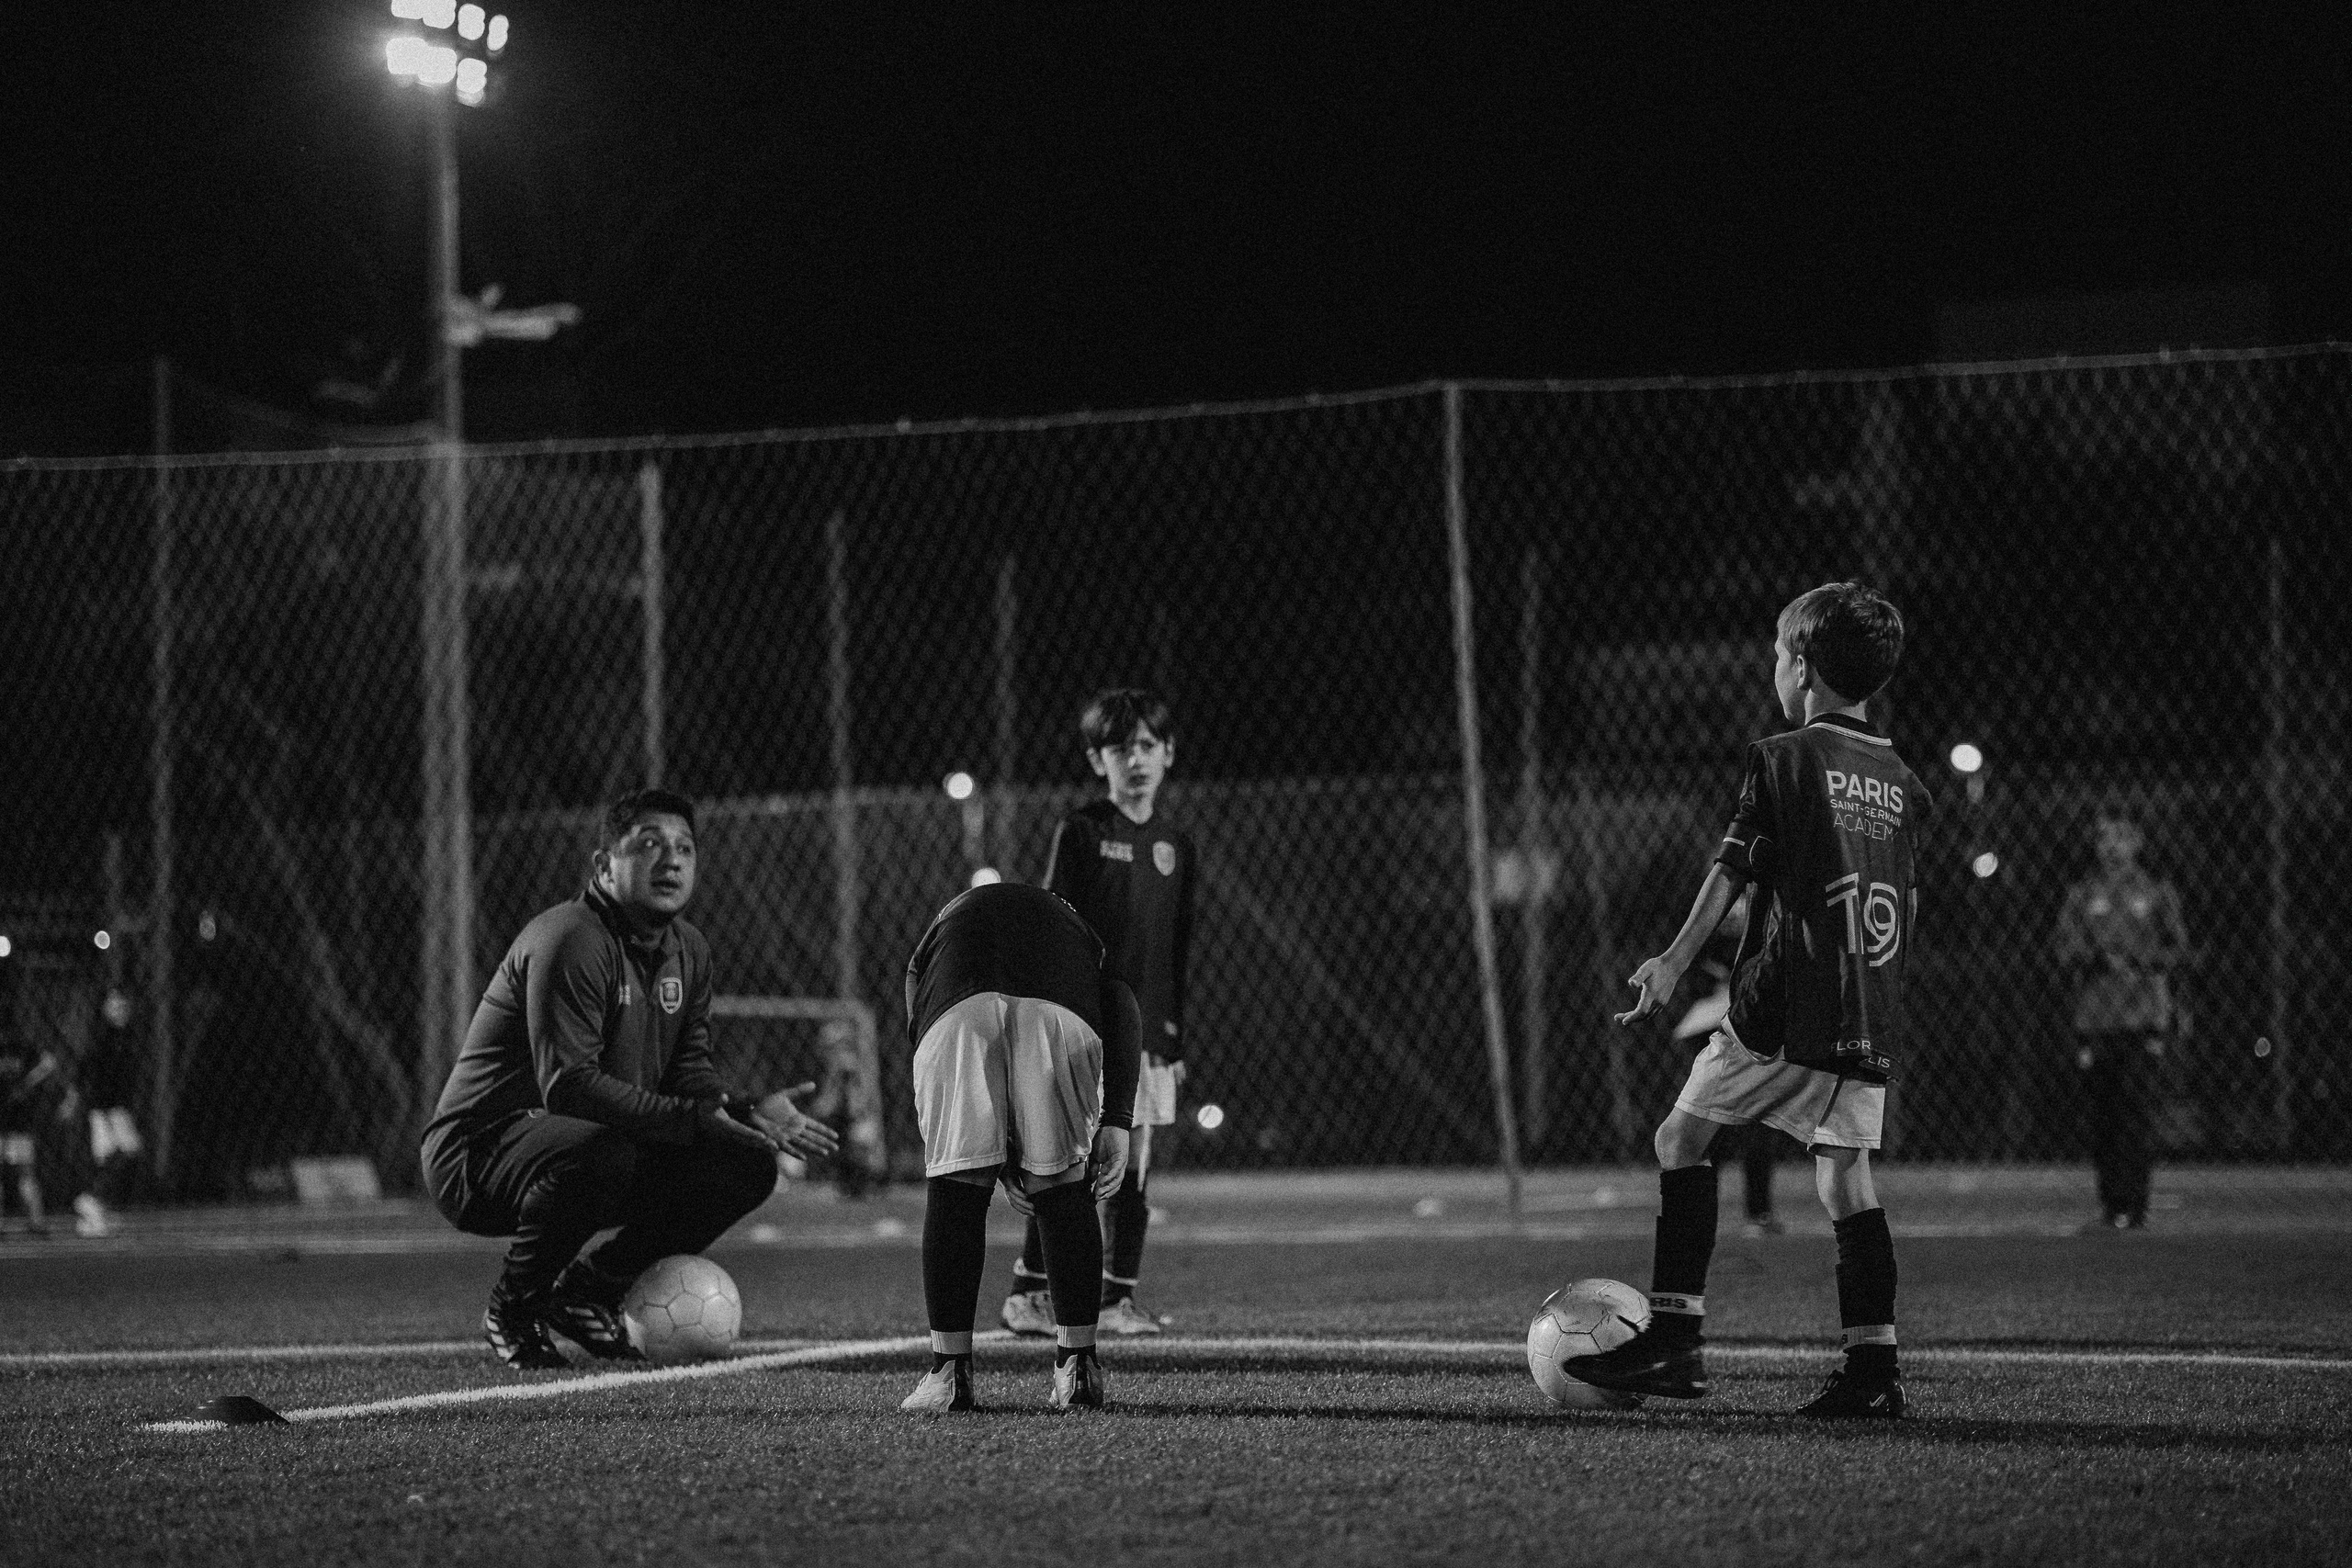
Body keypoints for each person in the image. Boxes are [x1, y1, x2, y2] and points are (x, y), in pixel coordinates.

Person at [1574, 581, 1930, 1419]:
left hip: (1786, 1003)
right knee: (1846, 1178)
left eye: (1778, 653)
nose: (1775, 668)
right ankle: (1874, 1368)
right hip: (1866, 1004)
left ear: (1801, 666)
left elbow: (1733, 866)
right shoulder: (1901, 778)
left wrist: (1669, 960)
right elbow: (1902, 898)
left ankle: (1674, 1340)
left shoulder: (1784, 757)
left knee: (1681, 1135)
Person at [421, 788, 839, 1370]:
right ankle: (514, 1308)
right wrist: (689, 1117)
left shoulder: (688, 949)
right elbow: (567, 1086)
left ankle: (590, 1291)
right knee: (605, 1149)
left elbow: (689, 1074)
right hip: (480, 1153)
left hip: (594, 1140)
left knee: (744, 1164)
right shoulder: (571, 937)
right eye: (648, 844)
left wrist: (742, 1109)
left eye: (684, 848)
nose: (671, 860)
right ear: (603, 866)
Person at [900, 879, 1140, 1413]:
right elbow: (1121, 1000)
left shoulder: (944, 926)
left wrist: (988, 1145)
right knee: (1060, 1184)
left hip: (951, 1009)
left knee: (957, 1187)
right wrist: (1118, 1119)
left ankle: (948, 1375)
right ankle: (1078, 1370)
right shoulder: (1084, 934)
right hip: (1058, 1011)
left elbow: (916, 992)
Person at [1002, 689, 1195, 1338]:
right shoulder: (1083, 829)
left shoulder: (1176, 843)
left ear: (1167, 753)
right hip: (1087, 1023)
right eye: (1120, 748)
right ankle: (1027, 1291)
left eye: (1147, 745)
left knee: (1135, 1163)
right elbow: (1056, 924)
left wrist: (1173, 1031)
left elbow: (1179, 944)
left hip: (1150, 1032)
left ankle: (1118, 1298)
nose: (1135, 758)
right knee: (1071, 1158)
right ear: (1097, 759)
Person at [2053, 814, 2190, 1231]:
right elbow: (2063, 949)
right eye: (2104, 838)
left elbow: (2179, 950)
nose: (2111, 846)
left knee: (2137, 1113)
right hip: (2096, 1020)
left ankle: (2136, 1205)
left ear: (2136, 843)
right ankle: (2113, 1206)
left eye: (2120, 838)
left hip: (2143, 1017)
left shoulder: (2155, 892)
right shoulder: (2081, 895)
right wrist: (2096, 957)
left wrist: (2140, 961)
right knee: (2103, 1115)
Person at [1669, 889, 1790, 1236]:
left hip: (1753, 1019)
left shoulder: (1775, 889)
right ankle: (1698, 1214)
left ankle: (1759, 1211)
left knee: (1757, 1119)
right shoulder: (1706, 892)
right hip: (1706, 1019)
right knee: (1705, 1122)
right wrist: (1710, 973)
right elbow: (1689, 955)